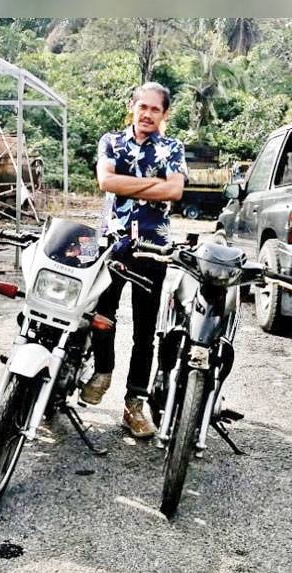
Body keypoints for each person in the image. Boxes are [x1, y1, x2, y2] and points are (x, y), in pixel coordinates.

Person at [80, 81, 188, 438]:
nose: (147, 114)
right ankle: (103, 371)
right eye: (143, 107)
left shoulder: (173, 147)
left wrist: (125, 183)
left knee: (145, 333)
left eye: (155, 109)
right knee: (100, 316)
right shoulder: (110, 141)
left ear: (164, 114)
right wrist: (149, 184)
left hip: (153, 248)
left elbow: (174, 189)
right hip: (112, 243)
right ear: (133, 107)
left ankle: (134, 405)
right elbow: (104, 181)